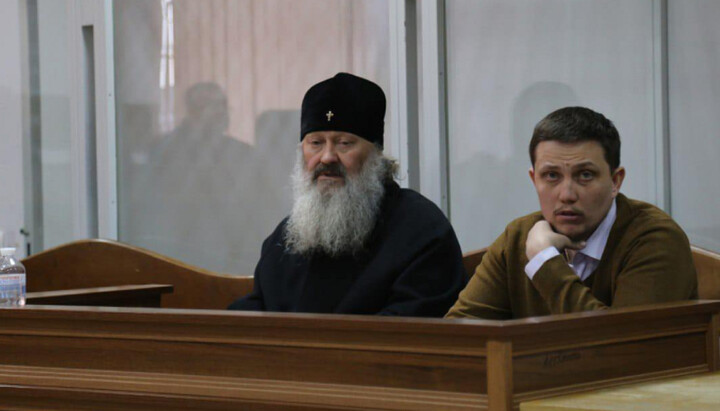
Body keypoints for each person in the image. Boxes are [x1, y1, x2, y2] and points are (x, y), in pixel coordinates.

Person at [229, 73, 466, 316]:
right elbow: (256, 313)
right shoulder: (287, 236)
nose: (328, 157)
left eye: (344, 143)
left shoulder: (421, 229)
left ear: (375, 155)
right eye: (316, 143)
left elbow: (410, 333)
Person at [446, 106, 697, 320]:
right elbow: (456, 337)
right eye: (551, 176)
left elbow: (621, 349)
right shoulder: (517, 238)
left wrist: (544, 262)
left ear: (615, 181)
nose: (567, 194)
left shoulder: (655, 239)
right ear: (534, 180)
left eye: (585, 175)